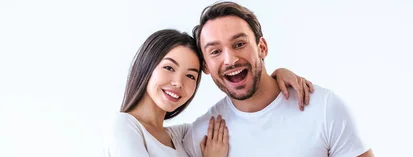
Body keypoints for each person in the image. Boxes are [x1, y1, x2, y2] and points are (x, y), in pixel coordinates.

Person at [183, 2, 374, 157]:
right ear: (206, 66)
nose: (230, 60)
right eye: (215, 51)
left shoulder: (324, 108)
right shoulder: (201, 137)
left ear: (262, 47)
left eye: (239, 44)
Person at [104, 29, 314, 157]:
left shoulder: (179, 136)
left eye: (190, 76)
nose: (178, 83)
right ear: (146, 67)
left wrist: (275, 77)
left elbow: (238, 114)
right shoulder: (125, 126)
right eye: (169, 68)